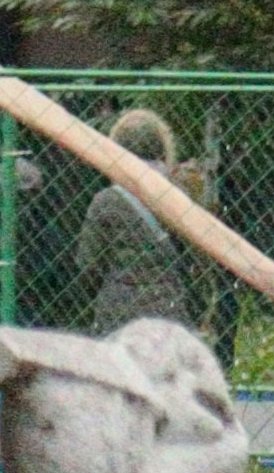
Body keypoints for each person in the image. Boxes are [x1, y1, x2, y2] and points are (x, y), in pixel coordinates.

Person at [81, 105, 196, 346]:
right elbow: (193, 262)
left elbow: (88, 264)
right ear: (163, 148)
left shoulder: (105, 201)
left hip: (118, 315)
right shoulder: (179, 197)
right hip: (169, 312)